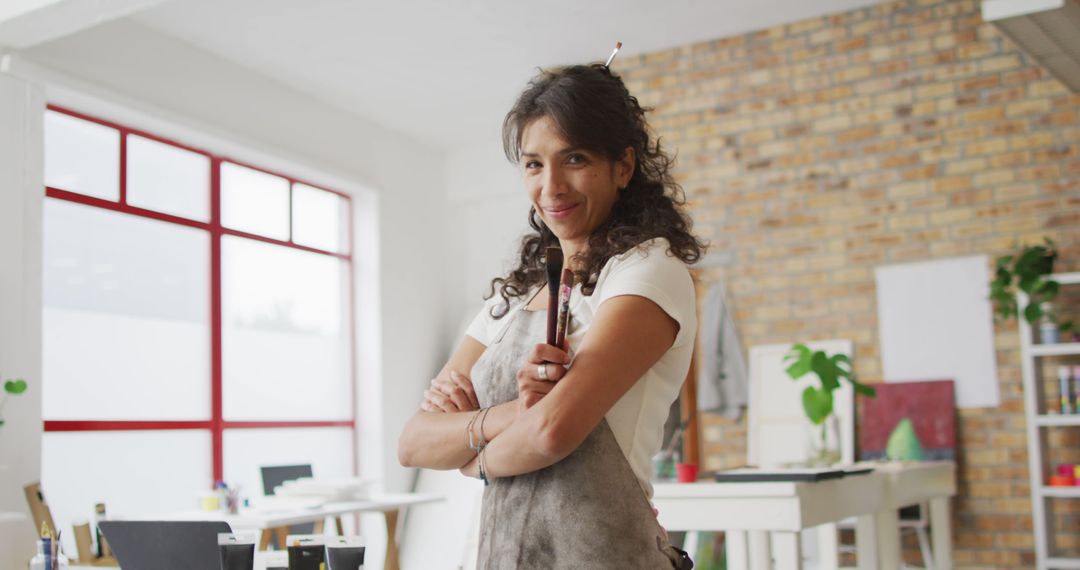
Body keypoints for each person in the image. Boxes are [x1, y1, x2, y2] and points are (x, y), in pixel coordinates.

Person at [398, 62, 704, 569]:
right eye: (534, 164)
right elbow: (413, 443)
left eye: (575, 158)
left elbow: (552, 433)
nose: (552, 186)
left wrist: (472, 458)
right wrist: (513, 414)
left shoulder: (648, 272)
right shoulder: (515, 297)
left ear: (623, 166)